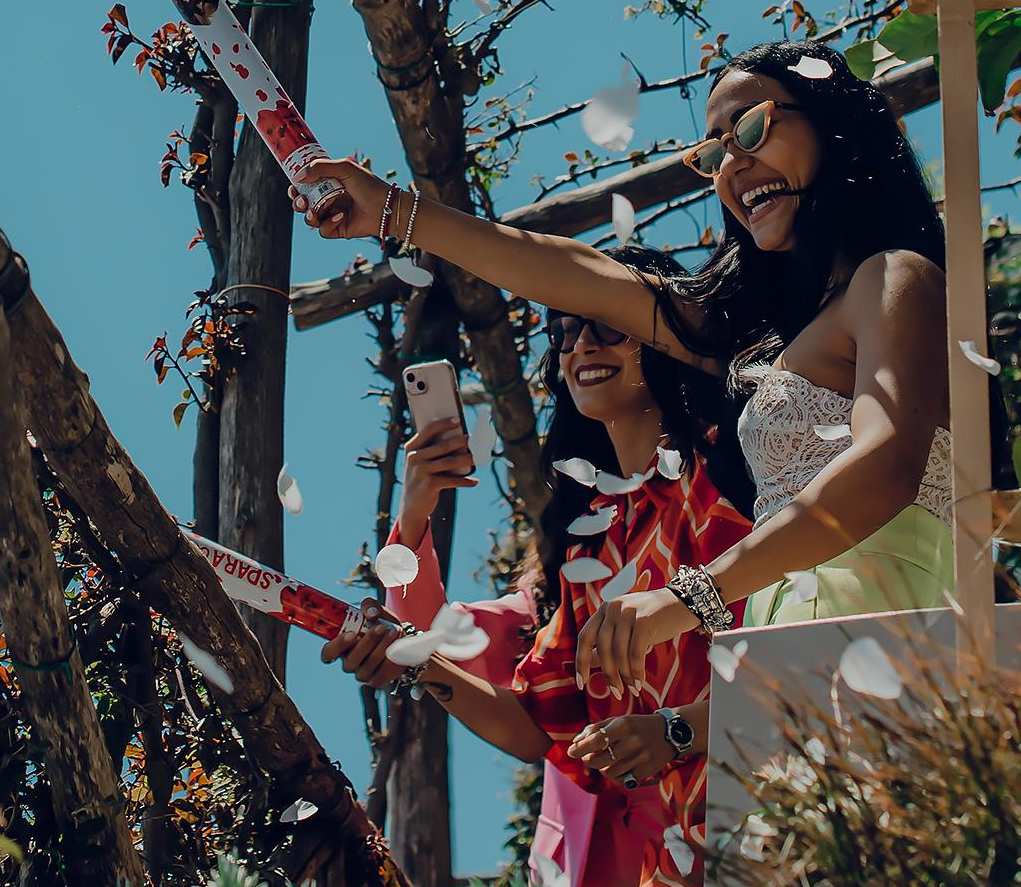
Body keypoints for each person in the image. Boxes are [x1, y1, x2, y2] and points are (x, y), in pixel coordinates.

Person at [297, 42, 959, 702]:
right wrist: (394, 212)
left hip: (886, 647)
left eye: (752, 127)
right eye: (713, 154)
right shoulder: (766, 343)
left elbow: (887, 465)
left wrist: (690, 596)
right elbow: (586, 279)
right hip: (785, 669)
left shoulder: (896, 278)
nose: (732, 164)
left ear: (834, 125)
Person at [322, 274, 748, 887]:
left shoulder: (719, 484)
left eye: (607, 324)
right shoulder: (586, 538)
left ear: (660, 334)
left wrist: (672, 730)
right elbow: (535, 723)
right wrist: (415, 514)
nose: (581, 345)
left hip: (717, 847)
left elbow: (780, 663)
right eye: (565, 331)